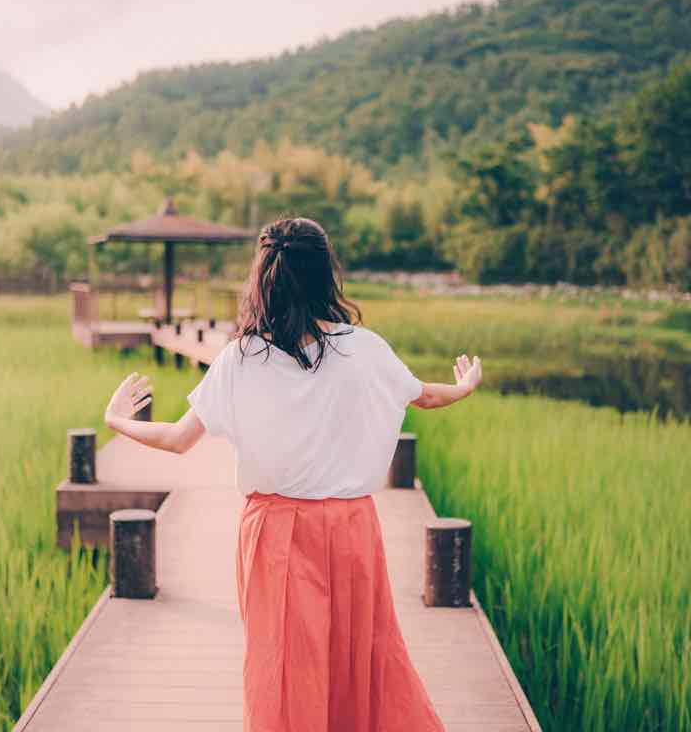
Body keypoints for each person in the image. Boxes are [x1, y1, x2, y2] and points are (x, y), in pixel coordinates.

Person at [102, 216, 482, 732]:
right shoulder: (364, 347)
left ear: (264, 277)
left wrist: (117, 420)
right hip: (351, 527)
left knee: (282, 664)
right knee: (361, 654)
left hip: (275, 530)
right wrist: (465, 387)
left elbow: (177, 440)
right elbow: (427, 395)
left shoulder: (241, 358)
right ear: (326, 273)